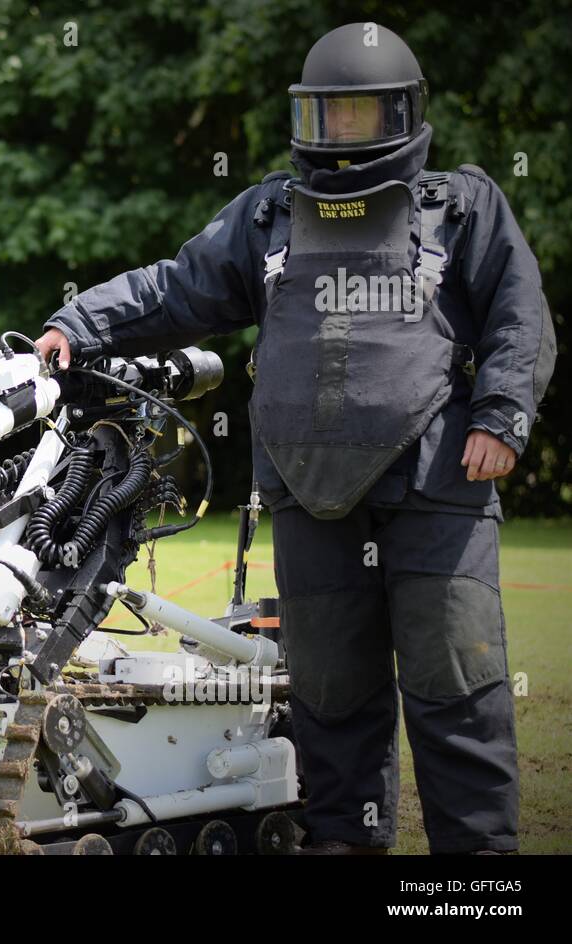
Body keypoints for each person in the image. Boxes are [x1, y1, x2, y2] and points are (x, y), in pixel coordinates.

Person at [35, 22, 556, 854]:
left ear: (401, 113)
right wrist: (80, 322)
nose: (343, 133)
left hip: (437, 491)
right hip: (310, 496)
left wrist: (501, 416)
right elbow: (177, 289)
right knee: (330, 698)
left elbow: (521, 316)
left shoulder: (461, 206)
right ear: (306, 119)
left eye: (360, 115)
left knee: (455, 694)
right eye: (329, 116)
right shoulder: (271, 213)